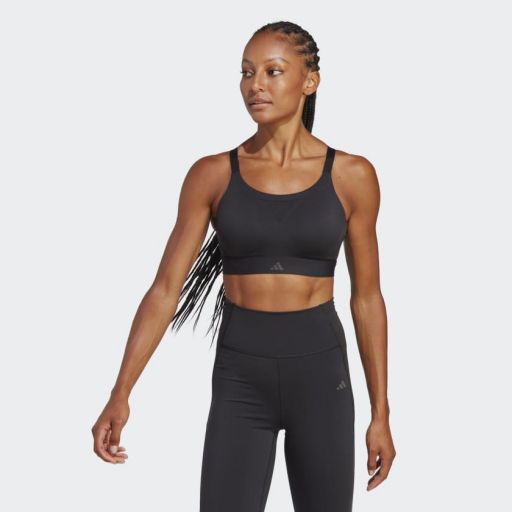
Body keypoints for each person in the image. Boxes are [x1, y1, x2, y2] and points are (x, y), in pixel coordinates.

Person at [92, 20, 396, 511]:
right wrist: (120, 392)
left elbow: (367, 298)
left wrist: (381, 414)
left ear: (310, 81)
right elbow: (165, 290)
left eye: (273, 71)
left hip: (322, 377)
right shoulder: (211, 174)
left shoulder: (352, 175)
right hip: (240, 379)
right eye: (247, 72)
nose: (256, 85)